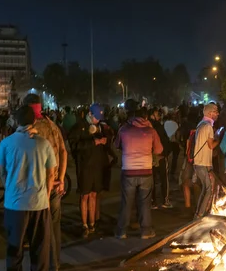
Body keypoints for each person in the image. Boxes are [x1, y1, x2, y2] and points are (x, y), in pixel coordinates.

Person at [0, 106, 55, 271]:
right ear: (34, 121)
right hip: (38, 202)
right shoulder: (43, 144)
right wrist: (46, 194)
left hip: (14, 202)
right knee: (39, 244)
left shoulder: (6, 143)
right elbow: (51, 173)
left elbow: (1, 172)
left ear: (15, 121)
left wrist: (10, 187)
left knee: (15, 244)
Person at [23, 94, 67, 271]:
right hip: (56, 183)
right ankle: (55, 265)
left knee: (40, 228)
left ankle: (44, 267)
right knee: (54, 226)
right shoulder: (52, 125)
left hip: (40, 186)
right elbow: (63, 151)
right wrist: (62, 178)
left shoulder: (30, 130)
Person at [114, 100, 163, 239]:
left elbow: (116, 145)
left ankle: (121, 231)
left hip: (128, 171)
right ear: (146, 118)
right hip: (146, 171)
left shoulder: (123, 129)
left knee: (126, 202)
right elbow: (159, 149)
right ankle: (146, 231)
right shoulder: (151, 131)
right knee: (144, 203)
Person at [68, 104, 110, 236]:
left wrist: (104, 141)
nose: (97, 120)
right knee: (84, 195)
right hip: (84, 167)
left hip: (97, 167)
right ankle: (84, 224)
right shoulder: (78, 127)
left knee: (94, 194)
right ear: (90, 114)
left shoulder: (100, 127)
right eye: (96, 117)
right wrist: (93, 143)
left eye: (99, 118)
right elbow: (74, 146)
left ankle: (92, 223)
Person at [149, 107, 172, 209]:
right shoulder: (159, 127)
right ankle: (165, 200)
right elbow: (166, 141)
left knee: (152, 179)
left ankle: (152, 201)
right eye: (157, 114)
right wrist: (165, 153)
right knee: (163, 178)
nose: (159, 115)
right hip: (161, 155)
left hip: (149, 157)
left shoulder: (145, 127)